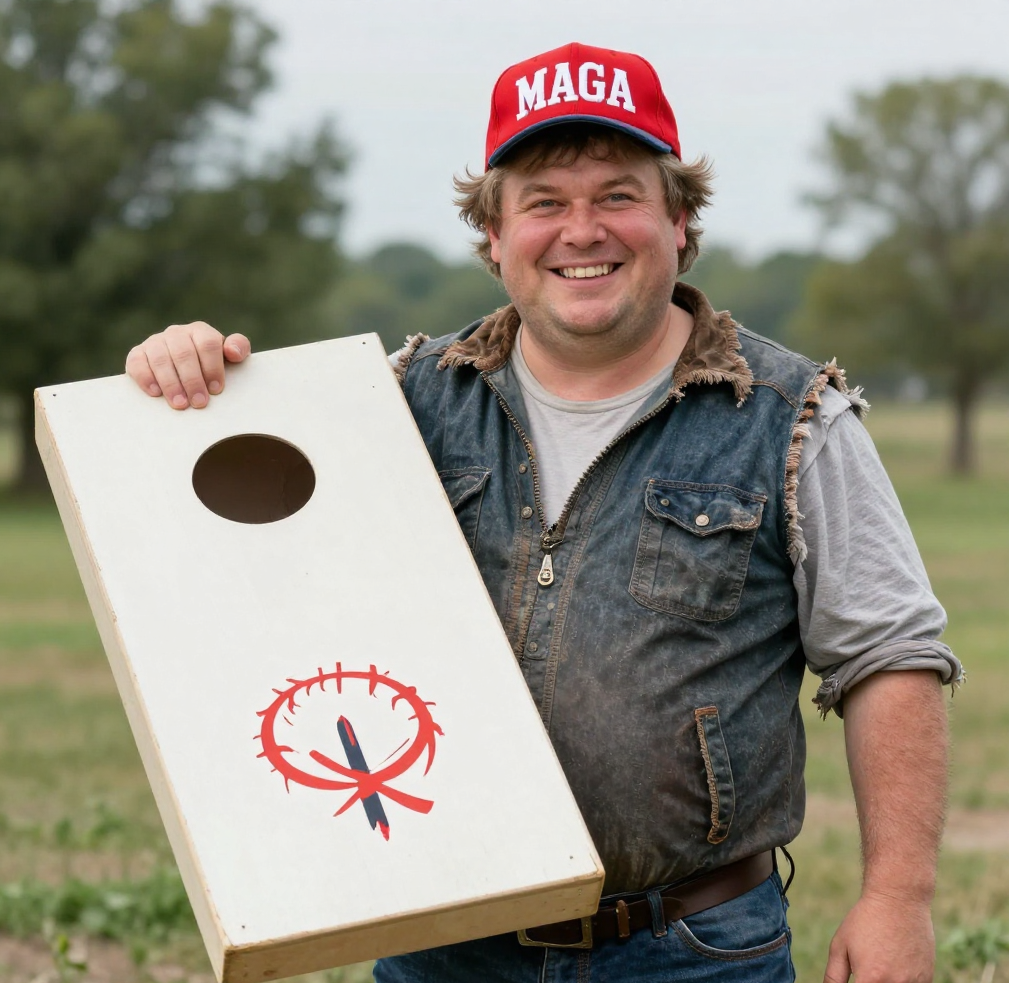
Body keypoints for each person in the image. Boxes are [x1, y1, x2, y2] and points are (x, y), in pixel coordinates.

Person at [126, 42, 961, 983]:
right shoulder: (396, 404)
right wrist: (189, 374)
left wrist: (897, 897)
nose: (582, 230)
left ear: (679, 219)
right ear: (493, 234)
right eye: (544, 202)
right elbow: (246, 552)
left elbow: (890, 655)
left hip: (690, 946)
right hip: (439, 945)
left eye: (617, 194)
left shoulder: (790, 417)